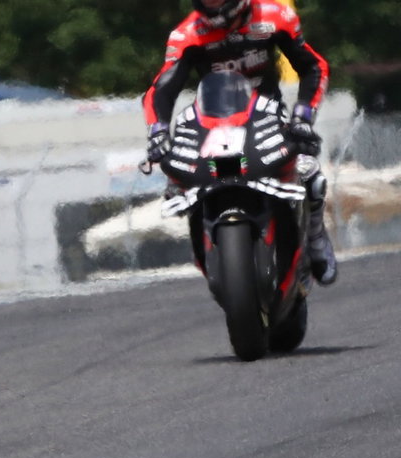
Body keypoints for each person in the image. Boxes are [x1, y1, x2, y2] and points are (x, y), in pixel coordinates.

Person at [144, 0, 337, 285]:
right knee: (177, 183)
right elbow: (161, 88)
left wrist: (302, 116)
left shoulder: (276, 16)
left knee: (308, 170)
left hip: (268, 115)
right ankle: (210, 248)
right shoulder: (186, 35)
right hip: (213, 123)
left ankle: (316, 235)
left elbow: (313, 67)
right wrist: (158, 132)